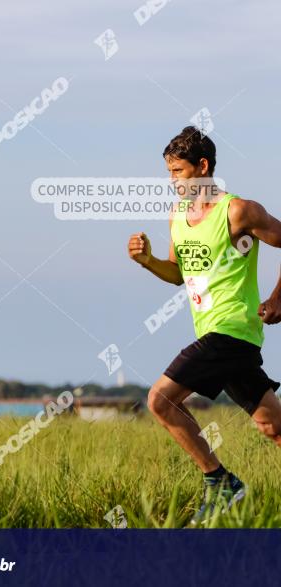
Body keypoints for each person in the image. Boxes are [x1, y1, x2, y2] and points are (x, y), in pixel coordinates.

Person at [127, 126, 281, 524]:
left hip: (231, 330)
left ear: (203, 167)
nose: (172, 181)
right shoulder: (178, 216)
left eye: (178, 171)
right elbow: (178, 273)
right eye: (169, 172)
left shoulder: (238, 211)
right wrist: (147, 262)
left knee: (160, 400)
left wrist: (278, 297)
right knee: (272, 426)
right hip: (218, 336)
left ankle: (221, 483)